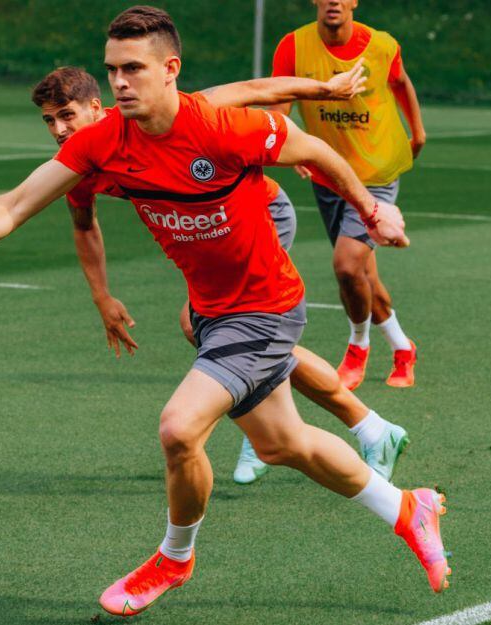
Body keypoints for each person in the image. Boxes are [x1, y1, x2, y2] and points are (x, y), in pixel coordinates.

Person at [0, 6, 451, 617]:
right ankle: (408, 508)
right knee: (284, 443)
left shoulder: (221, 127)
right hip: (214, 307)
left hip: (266, 305)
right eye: (112, 69)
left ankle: (174, 557)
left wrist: (371, 208)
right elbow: (13, 204)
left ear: (169, 70)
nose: (119, 82)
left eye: (133, 69)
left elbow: (316, 150)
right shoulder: (101, 143)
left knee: (178, 427)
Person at [31, 66, 410, 485]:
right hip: (212, 237)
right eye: (49, 120)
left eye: (67, 115)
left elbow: (251, 89)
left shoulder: (169, 115)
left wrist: (324, 88)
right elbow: (84, 225)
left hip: (260, 213)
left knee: (213, 328)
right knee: (226, 334)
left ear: (96, 107)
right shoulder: (80, 163)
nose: (59, 129)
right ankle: (365, 427)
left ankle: (326, 422)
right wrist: (101, 296)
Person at [271, 0, 426, 390]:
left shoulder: (382, 45)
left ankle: (357, 348)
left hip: (376, 172)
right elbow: (279, 103)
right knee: (361, 274)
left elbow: (401, 82)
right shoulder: (293, 46)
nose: (334, 1)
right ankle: (403, 348)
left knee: (346, 265)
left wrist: (418, 131)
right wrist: (288, 146)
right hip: (329, 175)